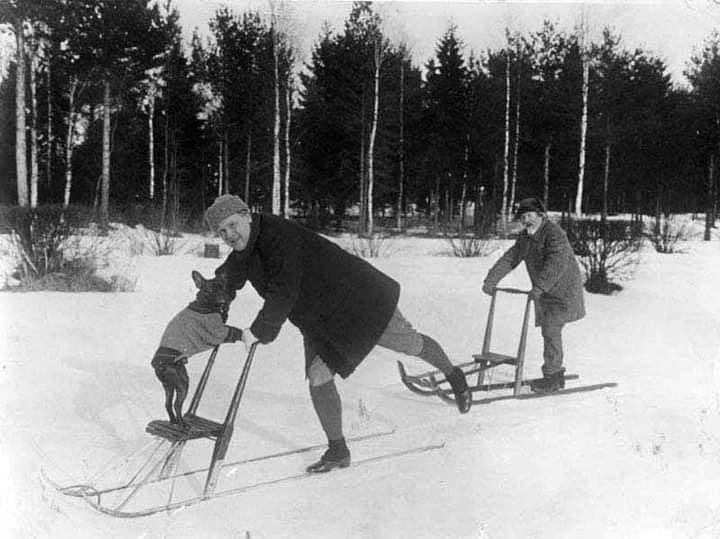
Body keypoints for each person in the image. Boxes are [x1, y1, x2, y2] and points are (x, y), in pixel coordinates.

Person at [204, 194, 471, 473]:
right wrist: (207, 303)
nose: (229, 235)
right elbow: (228, 279)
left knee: (410, 343)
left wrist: (261, 330)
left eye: (232, 225)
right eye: (222, 232)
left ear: (247, 214)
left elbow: (284, 290)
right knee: (319, 377)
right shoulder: (245, 248)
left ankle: (454, 375)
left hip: (361, 298)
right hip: (321, 317)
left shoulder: (278, 235)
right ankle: (338, 450)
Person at [482, 196, 585, 393]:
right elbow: (510, 258)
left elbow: (556, 264)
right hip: (545, 291)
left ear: (540, 215)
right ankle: (554, 373)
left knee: (551, 328)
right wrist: (491, 280)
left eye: (529, 215)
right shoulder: (526, 237)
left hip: (564, 292)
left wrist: (539, 287)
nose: (525, 220)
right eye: (522, 216)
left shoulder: (555, 234)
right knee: (549, 330)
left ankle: (553, 377)